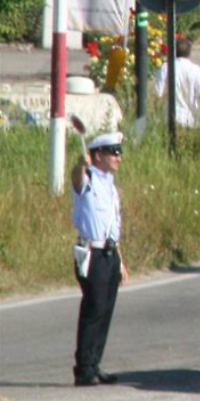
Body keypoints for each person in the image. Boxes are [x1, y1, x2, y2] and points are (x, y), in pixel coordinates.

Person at [71, 131, 129, 386]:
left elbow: (112, 227)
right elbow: (75, 179)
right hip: (91, 253)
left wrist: (121, 262)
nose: (118, 157)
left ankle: (95, 364)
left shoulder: (110, 186)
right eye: (113, 152)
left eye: (119, 152)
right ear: (98, 155)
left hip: (109, 253)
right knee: (93, 310)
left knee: (105, 311)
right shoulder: (88, 179)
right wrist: (80, 164)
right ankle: (83, 368)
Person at [154, 38, 200, 128]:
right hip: (189, 119)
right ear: (189, 52)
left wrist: (156, 114)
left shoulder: (165, 68)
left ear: (174, 51)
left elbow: (158, 95)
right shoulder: (196, 70)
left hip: (168, 119)